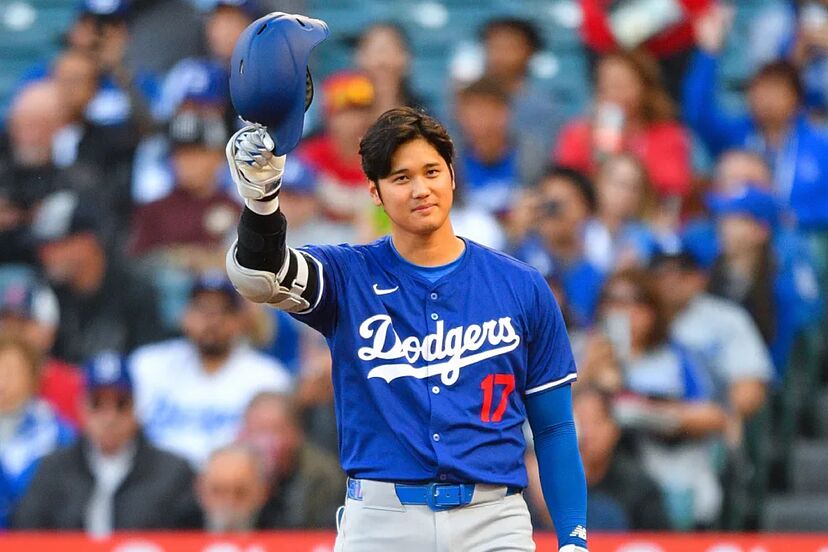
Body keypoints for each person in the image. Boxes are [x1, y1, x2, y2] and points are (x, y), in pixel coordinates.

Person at [224, 106, 588, 550]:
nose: (421, 189)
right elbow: (259, 275)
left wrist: (573, 538)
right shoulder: (347, 275)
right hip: (382, 520)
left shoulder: (521, 285)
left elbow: (554, 428)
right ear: (375, 192)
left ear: (452, 175)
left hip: (493, 519)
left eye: (432, 171)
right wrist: (262, 202)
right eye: (401, 178)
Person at [596, 269, 727, 528]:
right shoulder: (580, 351)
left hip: (660, 466)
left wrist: (646, 409)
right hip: (597, 472)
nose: (622, 311)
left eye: (634, 302)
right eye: (612, 301)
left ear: (652, 310)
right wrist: (589, 374)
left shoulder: (674, 358)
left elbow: (715, 416)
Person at [11, 352, 196, 534]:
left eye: (121, 404)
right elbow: (26, 533)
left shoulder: (172, 472)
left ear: (136, 409)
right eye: (97, 404)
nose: (109, 417)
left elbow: (193, 538)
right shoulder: (53, 469)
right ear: (81, 408)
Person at [130, 273, 291, 468]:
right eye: (202, 309)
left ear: (240, 320)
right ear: (185, 315)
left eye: (224, 311)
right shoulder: (148, 364)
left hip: (227, 480)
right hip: (153, 479)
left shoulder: (268, 377)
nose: (212, 321)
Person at [31, 190, 165, 364]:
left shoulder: (136, 293)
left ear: (87, 242)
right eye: (41, 247)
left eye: (55, 245)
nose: (45, 255)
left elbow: (150, 364)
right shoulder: (46, 295)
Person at [555, 49, 693, 200]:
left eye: (622, 85)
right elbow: (566, 183)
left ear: (645, 88)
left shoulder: (668, 135)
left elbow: (674, 186)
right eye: (606, 86)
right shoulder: (578, 134)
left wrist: (623, 156)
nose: (614, 93)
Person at [527, 386, 669, 531]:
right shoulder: (539, 481)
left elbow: (662, 539)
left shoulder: (640, 488)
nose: (587, 434)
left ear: (614, 429)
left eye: (595, 422)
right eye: (579, 423)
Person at [511, 166, 605, 328]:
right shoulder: (519, 257)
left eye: (560, 204)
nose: (551, 212)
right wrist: (515, 236)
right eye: (546, 203)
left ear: (587, 209)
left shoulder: (595, 277)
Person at [237, 391, 344, 528]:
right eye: (258, 430)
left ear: (296, 432)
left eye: (275, 430)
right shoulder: (232, 471)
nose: (265, 441)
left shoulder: (324, 476)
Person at [0, 337, 74, 529]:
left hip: (37, 534)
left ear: (33, 377)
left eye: (10, 372)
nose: (2, 382)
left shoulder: (56, 433)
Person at [0, 272, 83, 427]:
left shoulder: (72, 385)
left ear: (48, 331)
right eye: (6, 322)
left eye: (23, 322)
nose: (13, 331)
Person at [453, 78, 547, 215]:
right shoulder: (452, 161)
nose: (480, 122)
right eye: (472, 113)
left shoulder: (532, 156)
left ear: (504, 113)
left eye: (485, 112)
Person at [297, 71, 376, 223]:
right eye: (347, 112)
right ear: (329, 117)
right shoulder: (309, 157)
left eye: (363, 110)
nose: (359, 119)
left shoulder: (383, 158)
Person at [479, 17, 562, 152]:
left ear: (529, 52)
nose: (499, 55)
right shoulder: (466, 100)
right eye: (493, 47)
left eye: (508, 48)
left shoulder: (543, 107)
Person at [354, 22, 425, 117]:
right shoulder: (343, 116)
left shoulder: (423, 115)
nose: (381, 61)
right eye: (373, 51)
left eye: (387, 50)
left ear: (406, 59)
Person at [194, 444, 269, 533]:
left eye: (240, 492)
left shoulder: (280, 530)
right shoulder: (181, 526)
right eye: (217, 491)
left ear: (262, 492)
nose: (228, 502)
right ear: (200, 489)